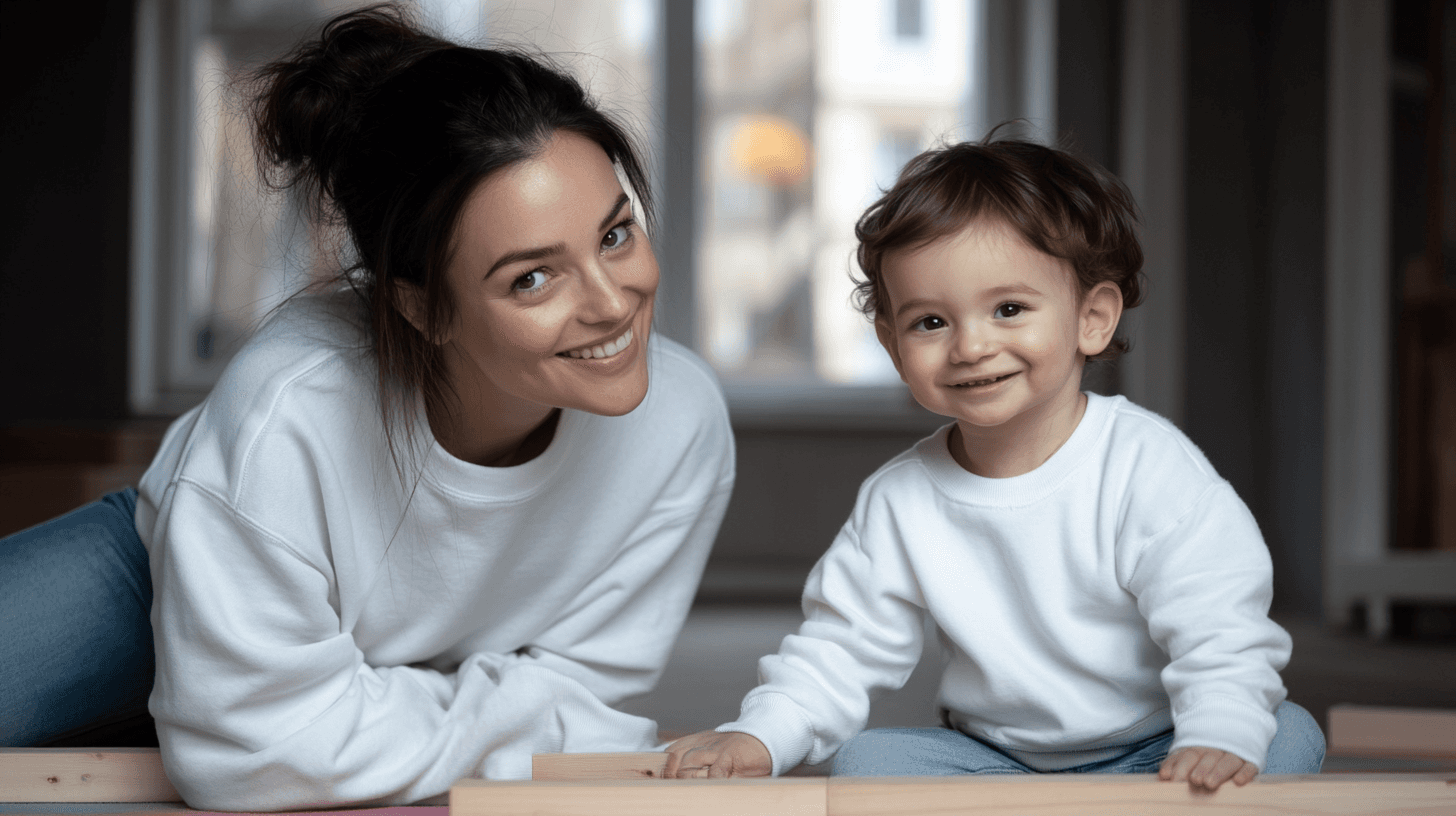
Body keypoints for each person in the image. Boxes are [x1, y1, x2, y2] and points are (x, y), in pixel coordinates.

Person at [0, 5, 735, 810]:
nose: (612, 303)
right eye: (533, 277)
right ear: (421, 307)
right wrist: (319, 722)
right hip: (166, 570)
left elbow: (587, 710)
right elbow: (255, 756)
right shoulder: (291, 412)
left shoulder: (681, 423)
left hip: (311, 661)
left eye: (616, 235)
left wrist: (329, 716)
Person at [663, 136, 1324, 791]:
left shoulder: (1146, 465)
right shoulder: (901, 499)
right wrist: (761, 735)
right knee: (869, 766)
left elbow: (1220, 620)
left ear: (1092, 319)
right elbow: (840, 647)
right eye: (929, 323)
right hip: (994, 760)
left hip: (1157, 744)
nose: (971, 346)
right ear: (893, 346)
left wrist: (1216, 734)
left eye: (1009, 310)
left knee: (1284, 734)